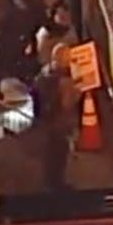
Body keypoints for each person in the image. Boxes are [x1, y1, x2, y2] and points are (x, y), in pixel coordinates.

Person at [36, 42, 80, 191]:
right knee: (59, 155)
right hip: (59, 123)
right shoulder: (65, 82)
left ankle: (50, 183)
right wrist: (78, 89)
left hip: (46, 122)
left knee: (50, 155)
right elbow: (68, 103)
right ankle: (56, 185)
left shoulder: (44, 73)